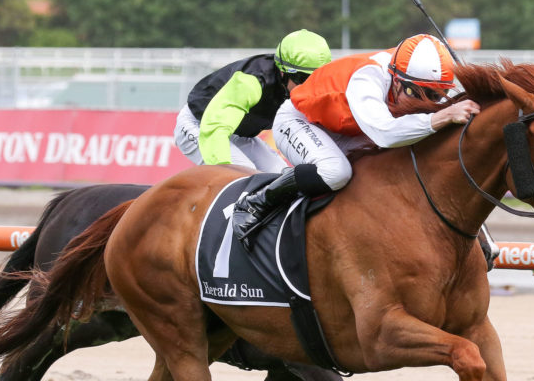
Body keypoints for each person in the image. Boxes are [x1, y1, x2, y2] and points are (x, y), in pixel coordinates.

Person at [232, 34, 481, 242]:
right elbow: (386, 134)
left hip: (349, 128)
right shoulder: (369, 76)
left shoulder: (412, 73)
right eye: (413, 92)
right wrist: (442, 116)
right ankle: (259, 201)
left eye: (435, 96)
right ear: (395, 79)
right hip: (301, 120)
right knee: (335, 172)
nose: (424, 103)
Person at [173, 29, 332, 173]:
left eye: (315, 80)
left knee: (279, 175)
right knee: (244, 175)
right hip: (201, 125)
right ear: (282, 71)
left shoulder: (307, 88)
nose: (307, 87)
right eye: (302, 78)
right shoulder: (252, 81)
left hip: (239, 133)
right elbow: (214, 128)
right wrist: (227, 172)